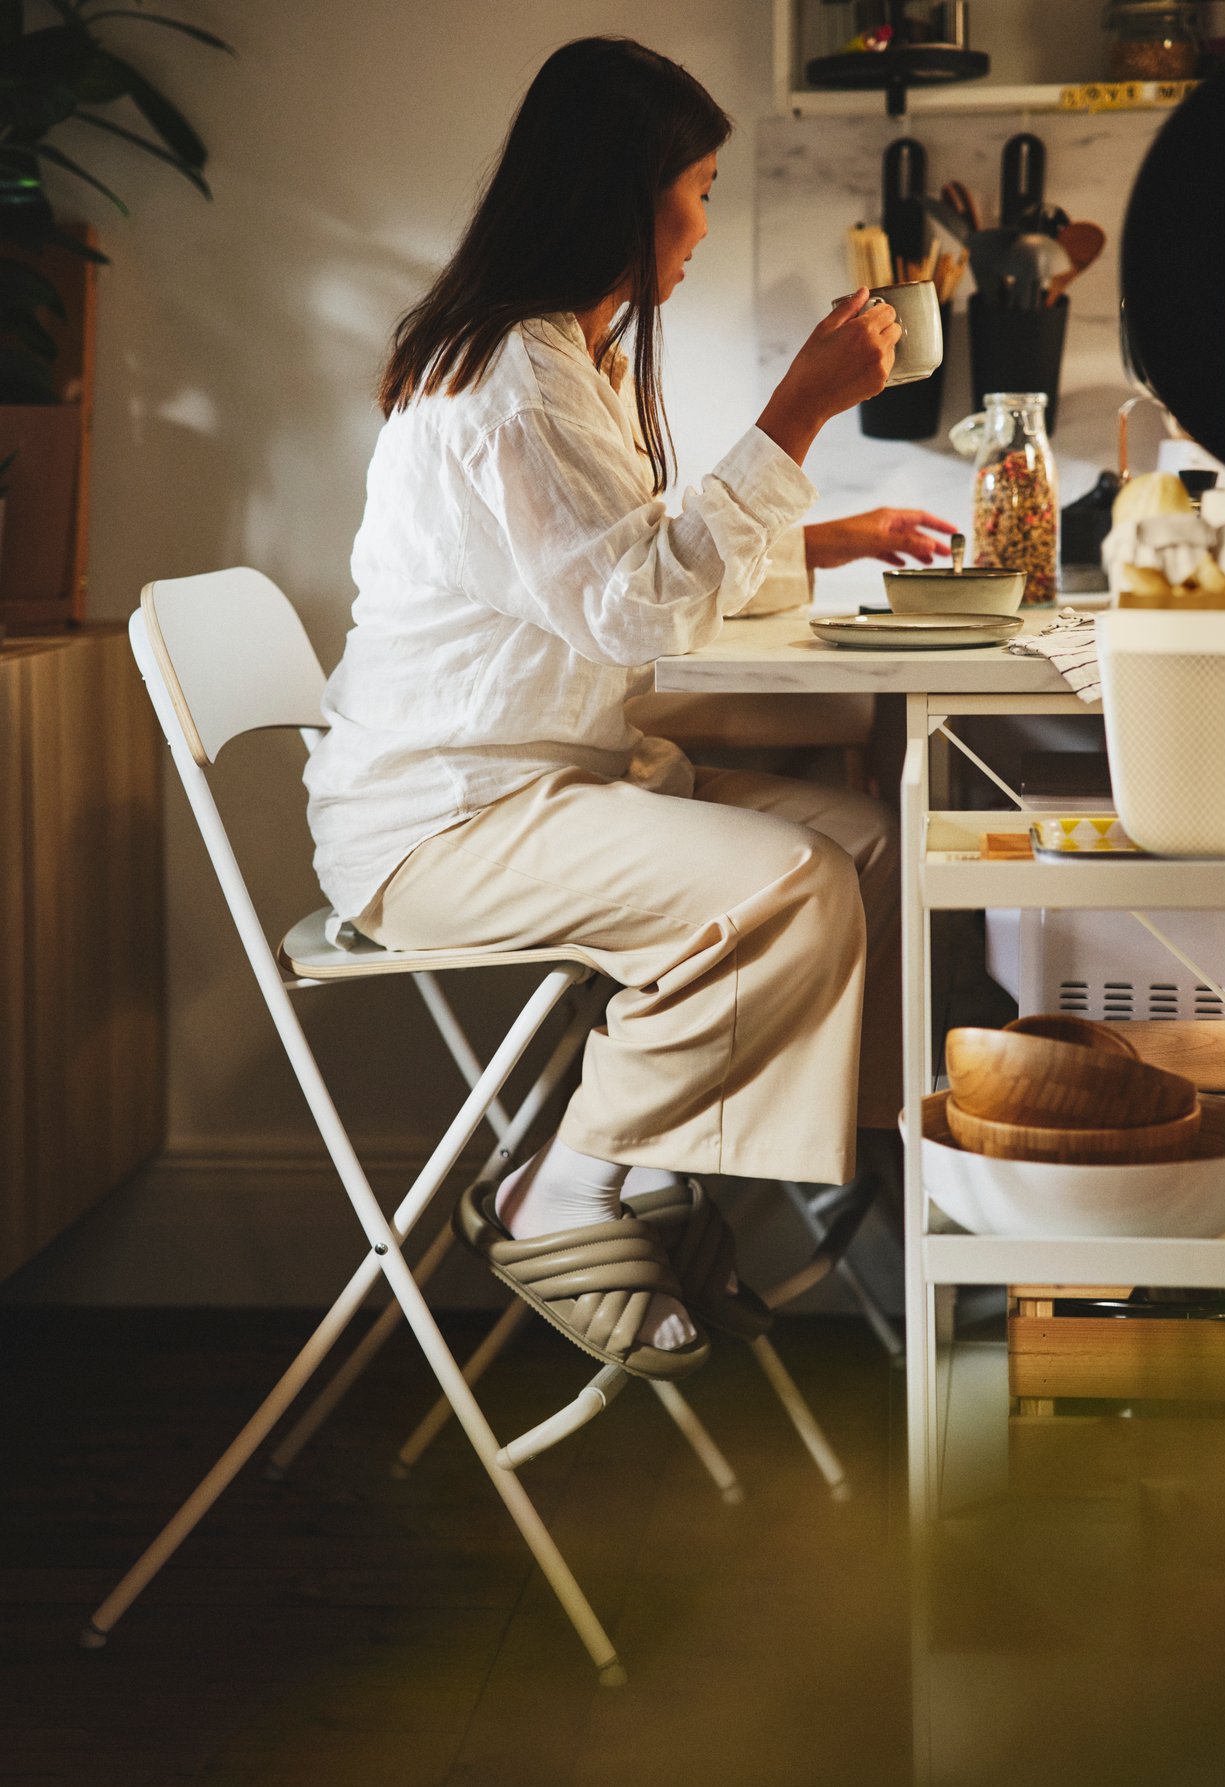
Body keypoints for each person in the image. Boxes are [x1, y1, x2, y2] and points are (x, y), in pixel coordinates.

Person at [305, 37, 956, 1380]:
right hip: (448, 819)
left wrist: (827, 543)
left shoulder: (567, 358)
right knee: (788, 887)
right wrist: (797, 413)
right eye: (700, 189)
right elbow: (642, 608)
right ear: (620, 192)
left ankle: (688, 1182)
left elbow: (627, 562)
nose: (706, 226)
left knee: (878, 844)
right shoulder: (508, 383)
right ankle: (569, 1189)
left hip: (554, 778)